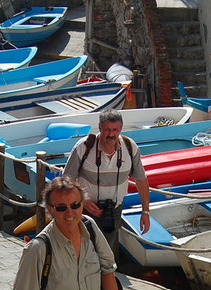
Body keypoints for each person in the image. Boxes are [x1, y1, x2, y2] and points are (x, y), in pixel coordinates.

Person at [61, 108, 152, 257]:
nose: (111, 134)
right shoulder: (84, 147)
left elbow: (141, 180)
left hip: (113, 209)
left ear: (121, 129)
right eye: (107, 130)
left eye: (115, 130)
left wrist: (145, 212)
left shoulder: (130, 147)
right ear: (100, 128)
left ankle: (109, 278)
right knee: (84, 250)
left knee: (109, 253)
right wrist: (83, 201)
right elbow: (67, 180)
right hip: (86, 210)